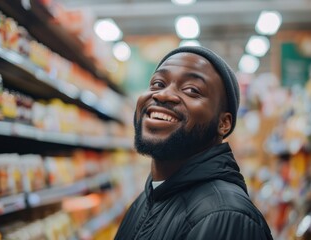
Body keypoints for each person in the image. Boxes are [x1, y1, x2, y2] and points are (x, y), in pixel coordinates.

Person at [115, 46, 273, 240]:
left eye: (192, 90)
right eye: (157, 83)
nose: (163, 95)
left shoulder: (225, 217)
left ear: (223, 123)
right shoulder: (146, 200)